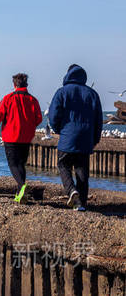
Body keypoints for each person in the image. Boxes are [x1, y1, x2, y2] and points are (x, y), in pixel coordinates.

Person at [48, 64, 102, 211]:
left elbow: (53, 116)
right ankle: (81, 204)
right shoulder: (93, 94)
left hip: (67, 137)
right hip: (86, 140)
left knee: (63, 165)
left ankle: (72, 191)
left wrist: (60, 130)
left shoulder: (61, 92)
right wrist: (95, 139)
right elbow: (98, 120)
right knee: (82, 170)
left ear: (68, 75)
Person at [0, 73, 43, 203]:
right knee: (21, 164)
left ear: (14, 85)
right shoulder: (33, 100)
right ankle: (19, 194)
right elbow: (39, 118)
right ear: (26, 85)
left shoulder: (8, 98)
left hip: (10, 136)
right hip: (26, 137)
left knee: (13, 164)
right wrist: (30, 126)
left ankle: (22, 186)